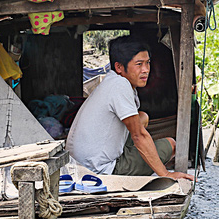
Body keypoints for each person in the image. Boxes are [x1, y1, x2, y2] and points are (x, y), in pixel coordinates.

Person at [67, 35, 193, 180]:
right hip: (98, 170)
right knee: (171, 144)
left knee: (142, 117)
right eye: (139, 64)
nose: (146, 70)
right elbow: (138, 135)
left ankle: (135, 156)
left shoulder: (112, 80)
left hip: (80, 163)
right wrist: (165, 174)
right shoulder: (120, 85)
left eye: (148, 63)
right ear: (119, 67)